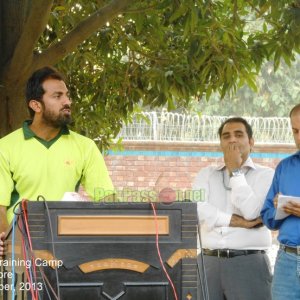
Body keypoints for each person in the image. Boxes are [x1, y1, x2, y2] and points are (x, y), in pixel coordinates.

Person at [0, 66, 114, 256]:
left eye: (67, 95)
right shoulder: (5, 147)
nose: (67, 101)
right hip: (21, 252)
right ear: (36, 105)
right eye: (57, 96)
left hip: (68, 250)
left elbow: (107, 201)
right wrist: (7, 245)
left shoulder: (85, 147)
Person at [192, 117, 273, 300]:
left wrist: (235, 171)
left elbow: (253, 212)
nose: (232, 140)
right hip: (208, 263)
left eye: (239, 135)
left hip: (249, 263)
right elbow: (197, 209)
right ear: (221, 143)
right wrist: (236, 221)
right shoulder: (206, 174)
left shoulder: (266, 175)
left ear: (251, 142)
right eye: (226, 136)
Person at [261, 104, 300, 299]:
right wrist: (279, 208)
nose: (299, 137)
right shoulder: (284, 168)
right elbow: (267, 218)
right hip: (287, 261)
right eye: (295, 131)